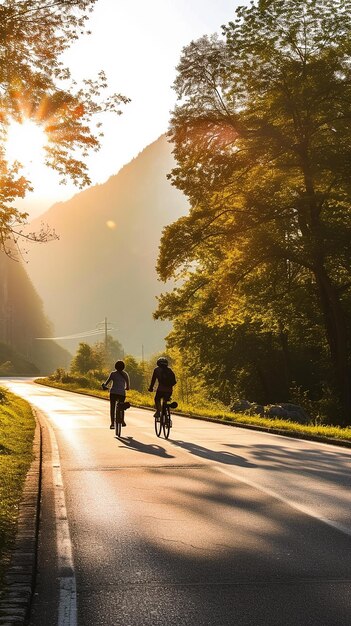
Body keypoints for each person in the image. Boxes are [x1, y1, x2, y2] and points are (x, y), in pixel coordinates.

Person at [102, 360, 130, 429]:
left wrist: (104, 386)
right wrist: (126, 388)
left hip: (113, 393)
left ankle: (112, 424)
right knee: (122, 406)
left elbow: (106, 383)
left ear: (115, 366)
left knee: (112, 407)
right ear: (123, 367)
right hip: (121, 393)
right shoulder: (125, 374)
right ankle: (122, 421)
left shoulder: (113, 374)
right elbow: (128, 386)